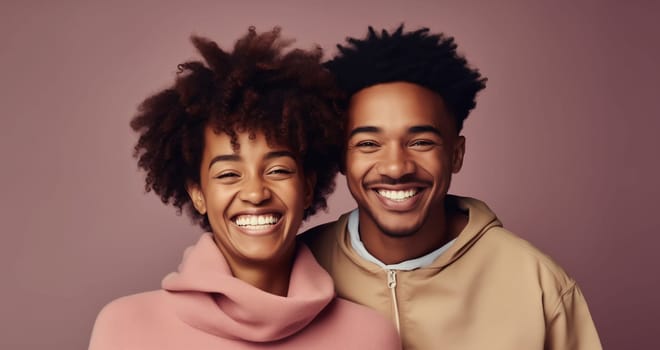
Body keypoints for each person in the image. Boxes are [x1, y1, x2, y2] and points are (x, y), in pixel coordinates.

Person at [88, 27, 401, 350]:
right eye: (228, 174)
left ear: (307, 187)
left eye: (278, 170)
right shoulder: (125, 328)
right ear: (198, 193)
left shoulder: (369, 336)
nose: (255, 193)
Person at [300, 25, 602, 349]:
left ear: (455, 155)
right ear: (341, 158)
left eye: (420, 142)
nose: (396, 167)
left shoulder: (539, 284)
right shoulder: (298, 269)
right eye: (369, 143)